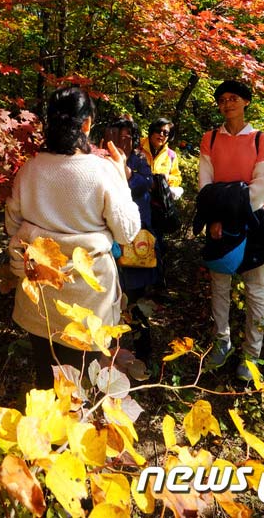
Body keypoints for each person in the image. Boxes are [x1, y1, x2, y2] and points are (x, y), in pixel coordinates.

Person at [5, 86, 141, 389]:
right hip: (89, 295)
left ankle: (48, 435)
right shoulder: (103, 171)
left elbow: (12, 224)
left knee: (46, 379)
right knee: (82, 382)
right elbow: (127, 232)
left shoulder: (30, 169)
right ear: (87, 124)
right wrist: (122, 177)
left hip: (39, 292)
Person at [198, 79, 264, 381]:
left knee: (255, 289)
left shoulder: (261, 140)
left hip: (257, 223)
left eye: (234, 98)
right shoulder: (211, 139)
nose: (227, 103)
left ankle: (252, 356)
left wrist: (230, 214)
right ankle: (222, 342)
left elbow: (262, 185)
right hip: (218, 224)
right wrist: (215, 218)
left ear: (245, 102)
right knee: (220, 284)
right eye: (222, 99)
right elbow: (205, 185)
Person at [102, 117, 155, 362]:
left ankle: (143, 349)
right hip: (108, 242)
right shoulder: (99, 159)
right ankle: (112, 348)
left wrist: (127, 173)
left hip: (136, 240)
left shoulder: (139, 160)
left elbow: (147, 185)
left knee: (135, 297)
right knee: (111, 296)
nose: (124, 140)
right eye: (119, 135)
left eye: (129, 136)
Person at [140, 118, 183, 292]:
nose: (161, 135)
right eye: (159, 131)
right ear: (151, 131)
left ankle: (156, 284)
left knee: (156, 243)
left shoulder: (171, 155)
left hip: (158, 206)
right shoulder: (138, 147)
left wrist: (163, 179)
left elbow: (177, 177)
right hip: (137, 203)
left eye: (166, 133)